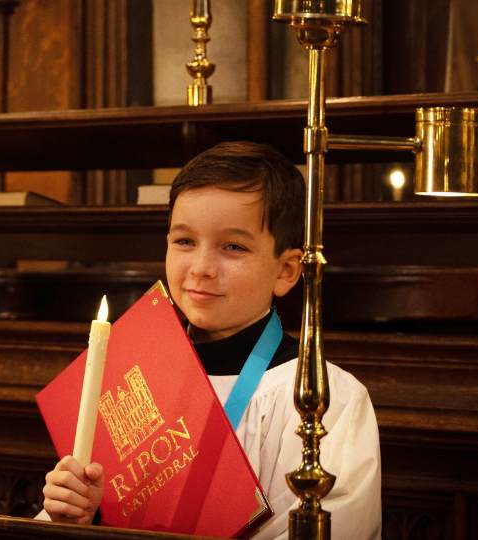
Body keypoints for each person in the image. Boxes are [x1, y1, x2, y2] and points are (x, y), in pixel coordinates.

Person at [38, 141, 383, 539]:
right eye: (184, 241)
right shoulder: (129, 381)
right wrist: (81, 514)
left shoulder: (322, 398)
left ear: (286, 270)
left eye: (233, 247)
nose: (201, 268)